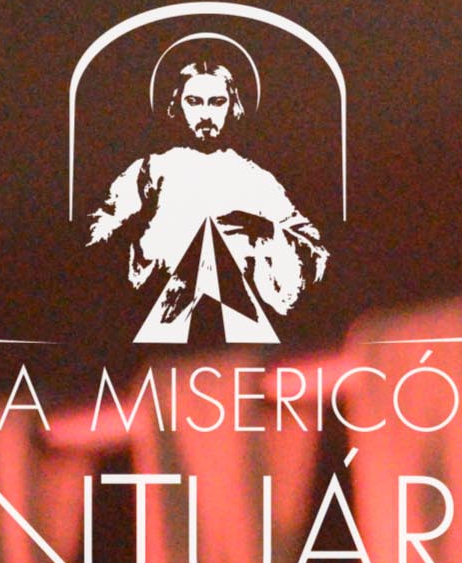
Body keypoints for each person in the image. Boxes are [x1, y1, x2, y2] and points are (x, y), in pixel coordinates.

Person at [87, 34, 324, 344]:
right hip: (159, 324)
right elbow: (96, 238)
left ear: (233, 106)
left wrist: (265, 231)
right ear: (176, 105)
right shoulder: (150, 171)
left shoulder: (258, 180)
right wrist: (137, 238)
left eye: (217, 102)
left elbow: (313, 252)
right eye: (194, 102)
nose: (206, 114)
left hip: (241, 334)